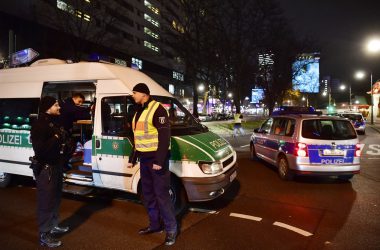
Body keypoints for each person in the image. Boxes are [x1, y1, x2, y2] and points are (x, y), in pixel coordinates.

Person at [127, 83, 177, 246]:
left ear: (143, 94)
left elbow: (164, 136)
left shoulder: (158, 109)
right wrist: (132, 158)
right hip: (144, 161)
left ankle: (171, 230)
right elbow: (138, 137)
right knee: (148, 195)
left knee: (162, 196)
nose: (132, 95)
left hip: (157, 161)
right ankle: (155, 225)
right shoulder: (138, 111)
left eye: (134, 93)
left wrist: (159, 161)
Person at [30, 96, 70, 248]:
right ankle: (44, 235)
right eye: (56, 105)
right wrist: (55, 137)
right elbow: (40, 150)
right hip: (46, 168)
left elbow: (59, 142)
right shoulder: (40, 124)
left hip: (55, 166)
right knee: (46, 202)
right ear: (48, 107)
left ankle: (53, 225)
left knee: (55, 198)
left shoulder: (52, 122)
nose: (59, 107)